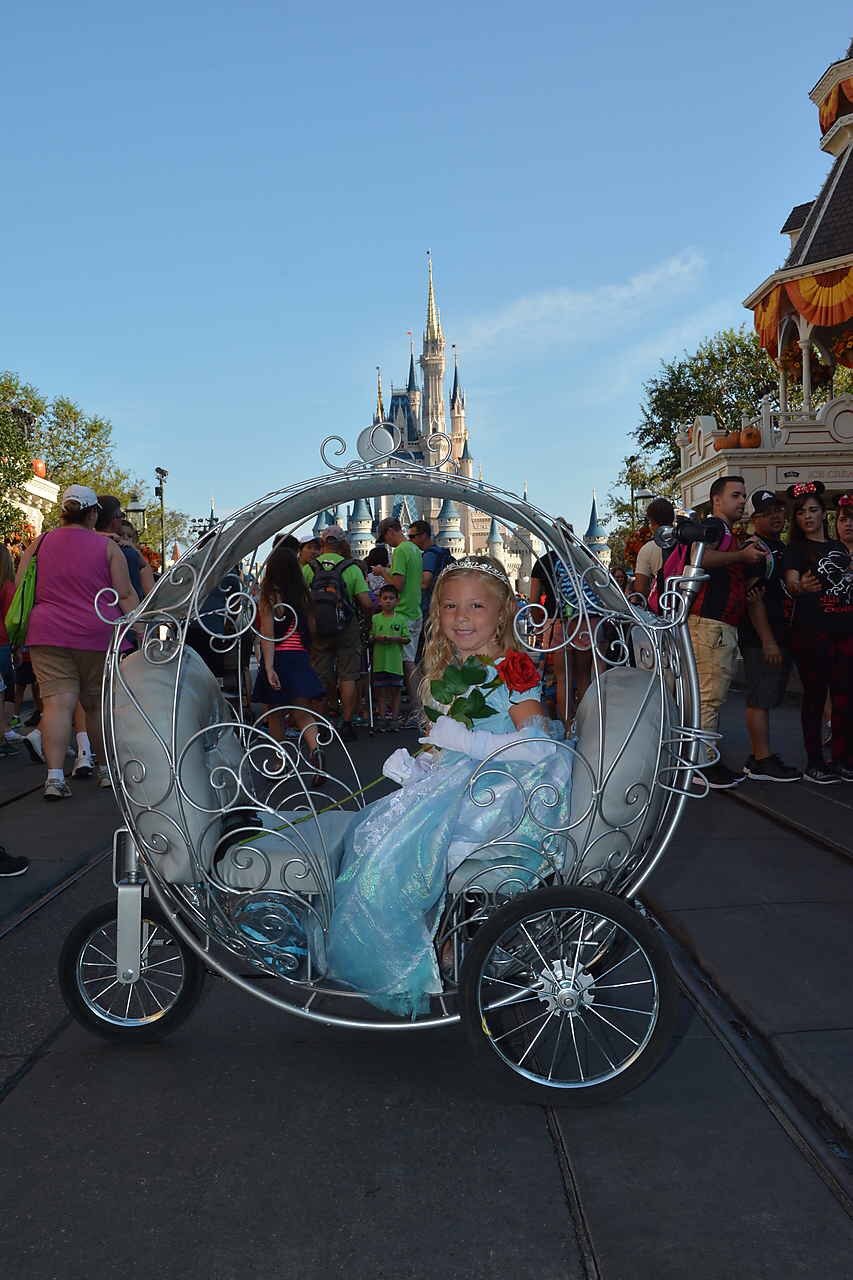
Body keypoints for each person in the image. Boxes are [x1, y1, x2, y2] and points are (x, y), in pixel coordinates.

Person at [323, 556, 570, 1016]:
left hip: (502, 793)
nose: (462, 617)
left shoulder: (512, 666)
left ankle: (420, 957)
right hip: (462, 779)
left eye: (477, 606)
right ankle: (438, 945)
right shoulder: (455, 665)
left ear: (503, 613)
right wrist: (424, 765)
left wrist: (467, 741)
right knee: (368, 832)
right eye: (452, 606)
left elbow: (538, 747)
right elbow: (450, 741)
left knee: (397, 852)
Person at [15, 485, 139, 800]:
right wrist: (140, 629)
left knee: (57, 704)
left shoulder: (39, 544)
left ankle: (54, 777)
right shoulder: (107, 548)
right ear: (93, 513)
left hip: (47, 633)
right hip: (96, 634)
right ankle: (106, 771)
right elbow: (124, 595)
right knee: (96, 706)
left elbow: (21, 587)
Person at [686, 476, 767, 789]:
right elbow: (700, 559)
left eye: (743, 496)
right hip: (711, 625)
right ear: (716, 500)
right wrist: (741, 556)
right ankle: (701, 765)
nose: (741, 501)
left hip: (715, 625)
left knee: (706, 697)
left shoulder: (725, 533)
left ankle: (702, 759)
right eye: (735, 495)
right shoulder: (715, 528)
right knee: (709, 697)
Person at [783, 482, 853, 784]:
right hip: (812, 633)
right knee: (814, 697)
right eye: (801, 512)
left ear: (823, 513)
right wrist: (799, 587)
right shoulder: (796, 549)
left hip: (844, 629)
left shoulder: (838, 548)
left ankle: (841, 758)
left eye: (813, 510)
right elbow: (792, 582)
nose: (808, 516)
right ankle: (815, 761)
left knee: (844, 698)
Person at [738, 490, 800, 783]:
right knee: (760, 698)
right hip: (762, 638)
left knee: (769, 695)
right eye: (767, 512)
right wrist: (768, 640)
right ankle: (761, 759)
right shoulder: (756, 549)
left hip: (784, 631)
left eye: (779, 510)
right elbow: (754, 599)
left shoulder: (780, 546)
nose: (776, 516)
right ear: (754, 518)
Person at [254, 543, 325, 780]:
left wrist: (269, 666)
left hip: (280, 657)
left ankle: (279, 759)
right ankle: (316, 749)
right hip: (299, 656)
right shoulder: (302, 595)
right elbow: (312, 629)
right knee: (302, 711)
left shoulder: (270, 595)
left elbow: (268, 633)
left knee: (275, 713)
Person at [303, 526, 372, 743]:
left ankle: (322, 723)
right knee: (348, 675)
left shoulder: (309, 568)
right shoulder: (351, 568)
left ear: (322, 543)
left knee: (321, 674)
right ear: (342, 543)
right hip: (346, 627)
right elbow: (365, 602)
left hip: (318, 629)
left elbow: (300, 601)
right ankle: (347, 723)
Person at [376, 518, 423, 726]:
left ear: (390, 532)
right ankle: (418, 707)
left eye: (385, 537)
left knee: (407, 663)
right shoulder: (414, 549)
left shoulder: (401, 551)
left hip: (404, 613)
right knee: (410, 661)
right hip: (415, 610)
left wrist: (382, 572)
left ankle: (417, 709)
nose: (386, 542)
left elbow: (398, 584)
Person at [97, 496, 155, 600]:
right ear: (114, 519)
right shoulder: (125, 552)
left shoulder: (82, 545)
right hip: (120, 612)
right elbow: (127, 594)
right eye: (121, 515)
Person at [370, 583, 409, 730]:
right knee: (381, 692)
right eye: (385, 598)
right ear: (379, 600)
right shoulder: (375, 619)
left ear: (397, 601)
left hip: (395, 663)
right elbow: (371, 637)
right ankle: (381, 717)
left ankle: (394, 718)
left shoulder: (401, 619)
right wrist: (376, 638)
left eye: (391, 598)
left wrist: (395, 639)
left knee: (396, 691)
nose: (388, 601)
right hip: (380, 662)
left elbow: (406, 638)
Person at [407, 519, 453, 619]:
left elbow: (425, 582)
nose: (409, 540)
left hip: (430, 607)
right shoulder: (439, 552)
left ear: (423, 536)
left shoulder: (429, 555)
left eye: (412, 537)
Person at [632, 498, 675, 599]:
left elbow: (640, 588)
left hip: (663, 604)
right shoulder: (686, 541)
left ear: (652, 521)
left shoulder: (648, 549)